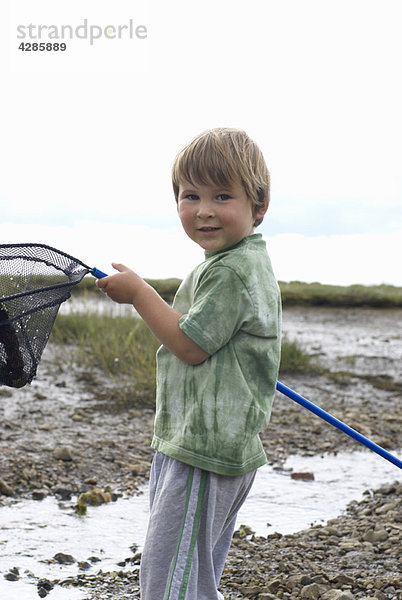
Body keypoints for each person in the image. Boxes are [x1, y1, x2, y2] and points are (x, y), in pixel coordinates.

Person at [97, 127, 282, 600]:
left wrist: (140, 293)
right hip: (195, 442)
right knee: (190, 573)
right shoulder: (230, 261)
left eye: (222, 195)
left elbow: (189, 345)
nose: (203, 209)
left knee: (168, 582)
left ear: (257, 206)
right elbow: (201, 332)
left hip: (206, 448)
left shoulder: (232, 270)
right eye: (190, 195)